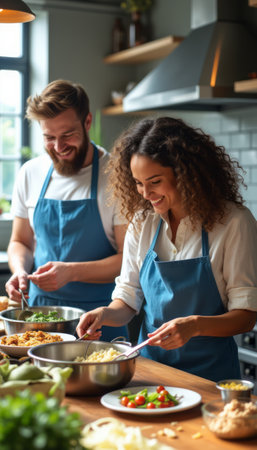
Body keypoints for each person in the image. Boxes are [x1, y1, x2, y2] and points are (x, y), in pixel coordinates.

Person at [77, 116, 257, 381]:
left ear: (185, 174)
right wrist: (104, 314)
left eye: (155, 181)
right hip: (152, 374)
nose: (145, 193)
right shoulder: (142, 222)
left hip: (211, 377)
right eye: (138, 183)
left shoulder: (233, 223)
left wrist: (195, 326)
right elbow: (128, 299)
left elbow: (246, 317)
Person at [5, 79, 128, 341]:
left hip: (101, 320)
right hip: (40, 322)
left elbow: (128, 260)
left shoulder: (116, 176)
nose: (59, 147)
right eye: (49, 137)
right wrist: (19, 271)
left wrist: (71, 272)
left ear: (87, 122)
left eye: (68, 135)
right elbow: (20, 241)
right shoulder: (30, 173)